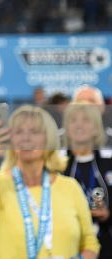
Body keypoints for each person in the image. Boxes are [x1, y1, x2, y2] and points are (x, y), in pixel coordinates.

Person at [0, 105, 100, 259]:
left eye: (34, 132)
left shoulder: (70, 187)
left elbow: (90, 243)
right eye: (19, 132)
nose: (25, 138)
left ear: (48, 139)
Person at [62, 102, 112, 258]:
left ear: (97, 128)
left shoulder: (109, 163)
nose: (79, 124)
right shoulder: (56, 166)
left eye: (85, 120)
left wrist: (108, 215)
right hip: (68, 246)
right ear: (66, 129)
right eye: (73, 120)